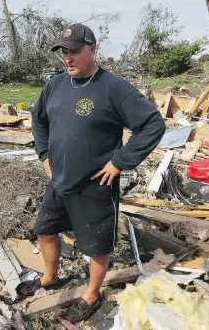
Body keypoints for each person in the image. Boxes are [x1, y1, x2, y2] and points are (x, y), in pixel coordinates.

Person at [18, 23, 166, 322]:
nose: (67, 59)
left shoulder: (114, 88)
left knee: (96, 243)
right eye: (64, 53)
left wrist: (120, 162)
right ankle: (49, 278)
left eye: (74, 52)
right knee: (45, 229)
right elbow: (39, 120)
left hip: (95, 183)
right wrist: (44, 154)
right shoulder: (55, 85)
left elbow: (152, 124)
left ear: (92, 50)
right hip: (58, 179)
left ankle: (91, 294)